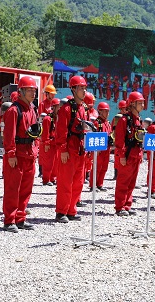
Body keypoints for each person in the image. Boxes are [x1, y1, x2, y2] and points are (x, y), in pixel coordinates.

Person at [1, 76, 40, 232]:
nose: (32, 93)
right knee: (12, 189)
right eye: (29, 90)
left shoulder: (32, 109)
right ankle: (9, 220)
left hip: (29, 155)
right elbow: (9, 135)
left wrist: (35, 150)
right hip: (17, 156)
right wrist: (11, 154)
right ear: (21, 91)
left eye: (34, 90)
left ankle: (20, 218)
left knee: (26, 189)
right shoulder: (13, 110)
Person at [54, 75, 89, 223]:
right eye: (81, 88)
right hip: (69, 151)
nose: (84, 91)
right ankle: (61, 212)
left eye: (84, 88)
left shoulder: (82, 109)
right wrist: (63, 150)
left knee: (78, 182)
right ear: (73, 89)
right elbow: (60, 132)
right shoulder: (66, 109)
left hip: (80, 151)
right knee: (65, 182)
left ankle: (71, 210)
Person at [114, 91, 145, 216]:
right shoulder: (124, 120)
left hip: (135, 156)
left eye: (143, 102)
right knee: (123, 182)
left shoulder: (138, 119)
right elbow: (120, 139)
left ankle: (127, 205)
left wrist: (141, 154)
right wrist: (121, 155)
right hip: (127, 156)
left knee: (132, 182)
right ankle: (120, 207)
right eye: (140, 103)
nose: (143, 105)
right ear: (132, 104)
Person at [89, 102, 112, 191]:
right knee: (97, 167)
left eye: (108, 111)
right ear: (100, 111)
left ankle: (99, 184)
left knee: (104, 167)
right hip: (99, 149)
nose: (107, 113)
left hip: (107, 148)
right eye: (105, 111)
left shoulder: (107, 123)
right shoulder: (97, 123)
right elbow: (94, 135)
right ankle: (92, 185)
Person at [40, 98, 60, 186]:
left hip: (56, 144)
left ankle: (52, 178)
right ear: (54, 107)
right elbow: (45, 133)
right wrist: (46, 143)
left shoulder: (59, 119)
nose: (60, 109)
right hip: (49, 143)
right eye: (58, 107)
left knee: (55, 162)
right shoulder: (48, 119)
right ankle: (46, 179)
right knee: (48, 162)